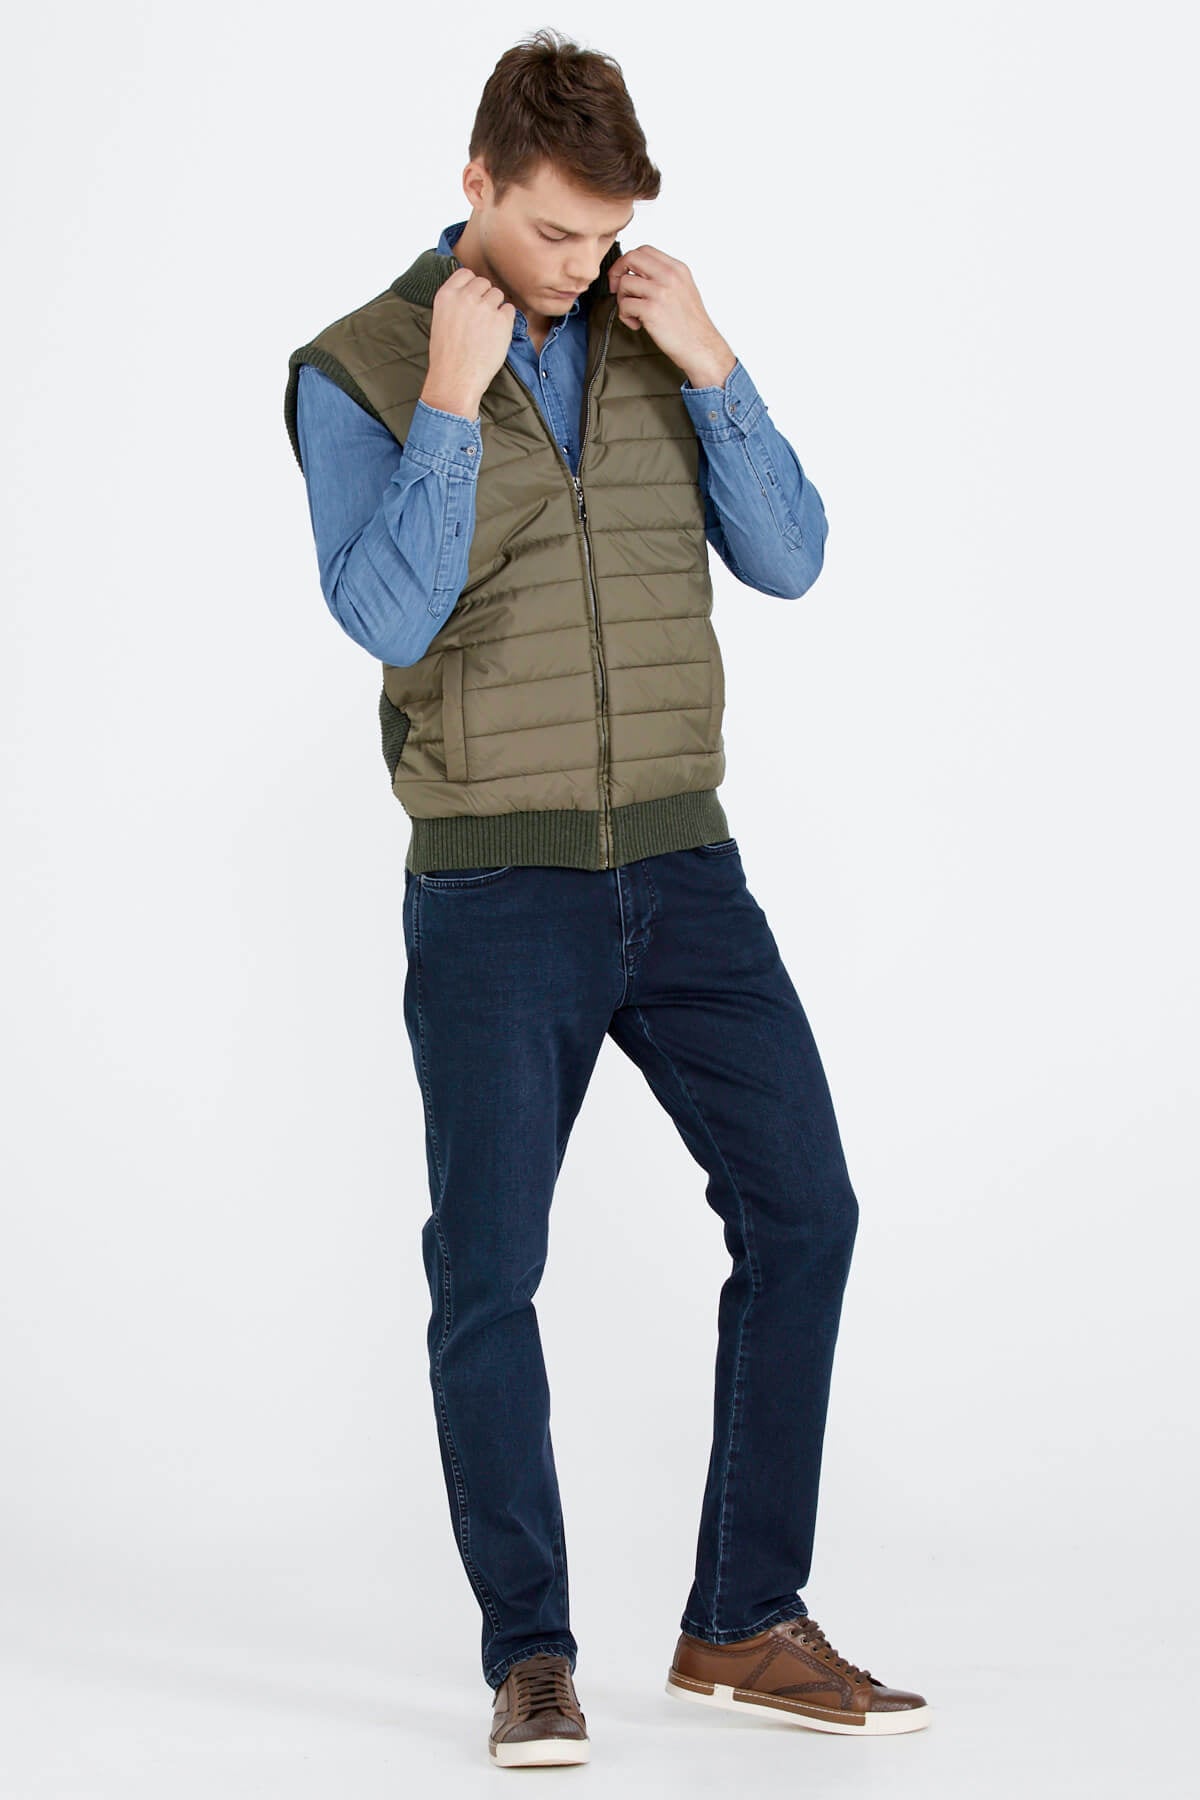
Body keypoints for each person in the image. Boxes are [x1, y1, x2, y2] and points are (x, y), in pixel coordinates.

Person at [283, 26, 931, 1768]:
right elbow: (385, 614)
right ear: (477, 185)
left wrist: (712, 358)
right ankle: (531, 1656)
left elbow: (790, 557)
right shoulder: (357, 367)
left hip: (685, 866)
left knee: (805, 1209)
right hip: (496, 887)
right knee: (490, 1274)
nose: (581, 266)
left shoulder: (652, 332)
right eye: (555, 231)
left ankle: (741, 1618)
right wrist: (448, 397)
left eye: (609, 233)